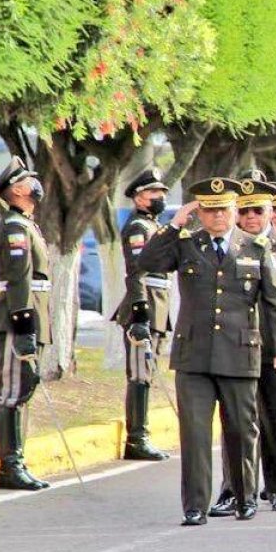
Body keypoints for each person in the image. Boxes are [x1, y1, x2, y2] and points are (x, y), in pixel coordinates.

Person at [138, 177, 276, 526]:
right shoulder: (186, 244)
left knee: (241, 429)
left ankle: (244, 497)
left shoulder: (255, 249)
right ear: (201, 213)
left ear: (234, 210)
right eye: (209, 210)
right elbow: (147, 262)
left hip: (240, 354)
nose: (217, 217)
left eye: (223, 209)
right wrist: (174, 223)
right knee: (194, 433)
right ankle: (195, 505)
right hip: (194, 356)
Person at [208, 174, 276, 516]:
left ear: (272, 211)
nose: (251, 217)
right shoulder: (228, 246)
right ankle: (233, 490)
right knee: (236, 423)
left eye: (258, 210)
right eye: (245, 210)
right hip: (237, 348)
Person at [0, 157, 52, 491]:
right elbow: (18, 278)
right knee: (12, 392)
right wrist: (24, 323)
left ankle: (18, 461)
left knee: (24, 389)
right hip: (20, 318)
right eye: (30, 179)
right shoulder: (15, 227)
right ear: (17, 189)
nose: (36, 183)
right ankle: (10, 466)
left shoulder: (26, 223)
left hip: (34, 315)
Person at [112, 167, 173, 462]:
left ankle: (141, 435)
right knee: (139, 376)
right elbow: (136, 273)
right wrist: (140, 315)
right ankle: (137, 439)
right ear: (138, 198)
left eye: (162, 193)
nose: (159, 197)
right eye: (153, 193)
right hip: (143, 308)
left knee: (145, 375)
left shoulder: (153, 226)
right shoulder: (138, 227)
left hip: (156, 306)